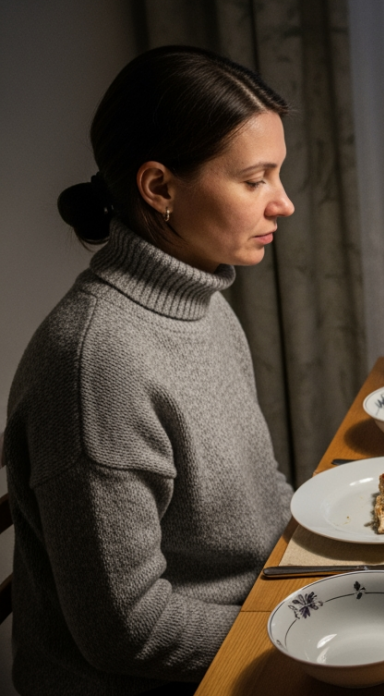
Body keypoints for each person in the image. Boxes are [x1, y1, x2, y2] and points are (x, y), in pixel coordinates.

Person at [3, 46, 296, 695]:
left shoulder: (204, 301)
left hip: (255, 621)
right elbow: (126, 630)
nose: (285, 204)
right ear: (160, 187)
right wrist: (296, 626)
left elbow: (260, 490)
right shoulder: (96, 366)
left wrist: (323, 572)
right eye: (256, 180)